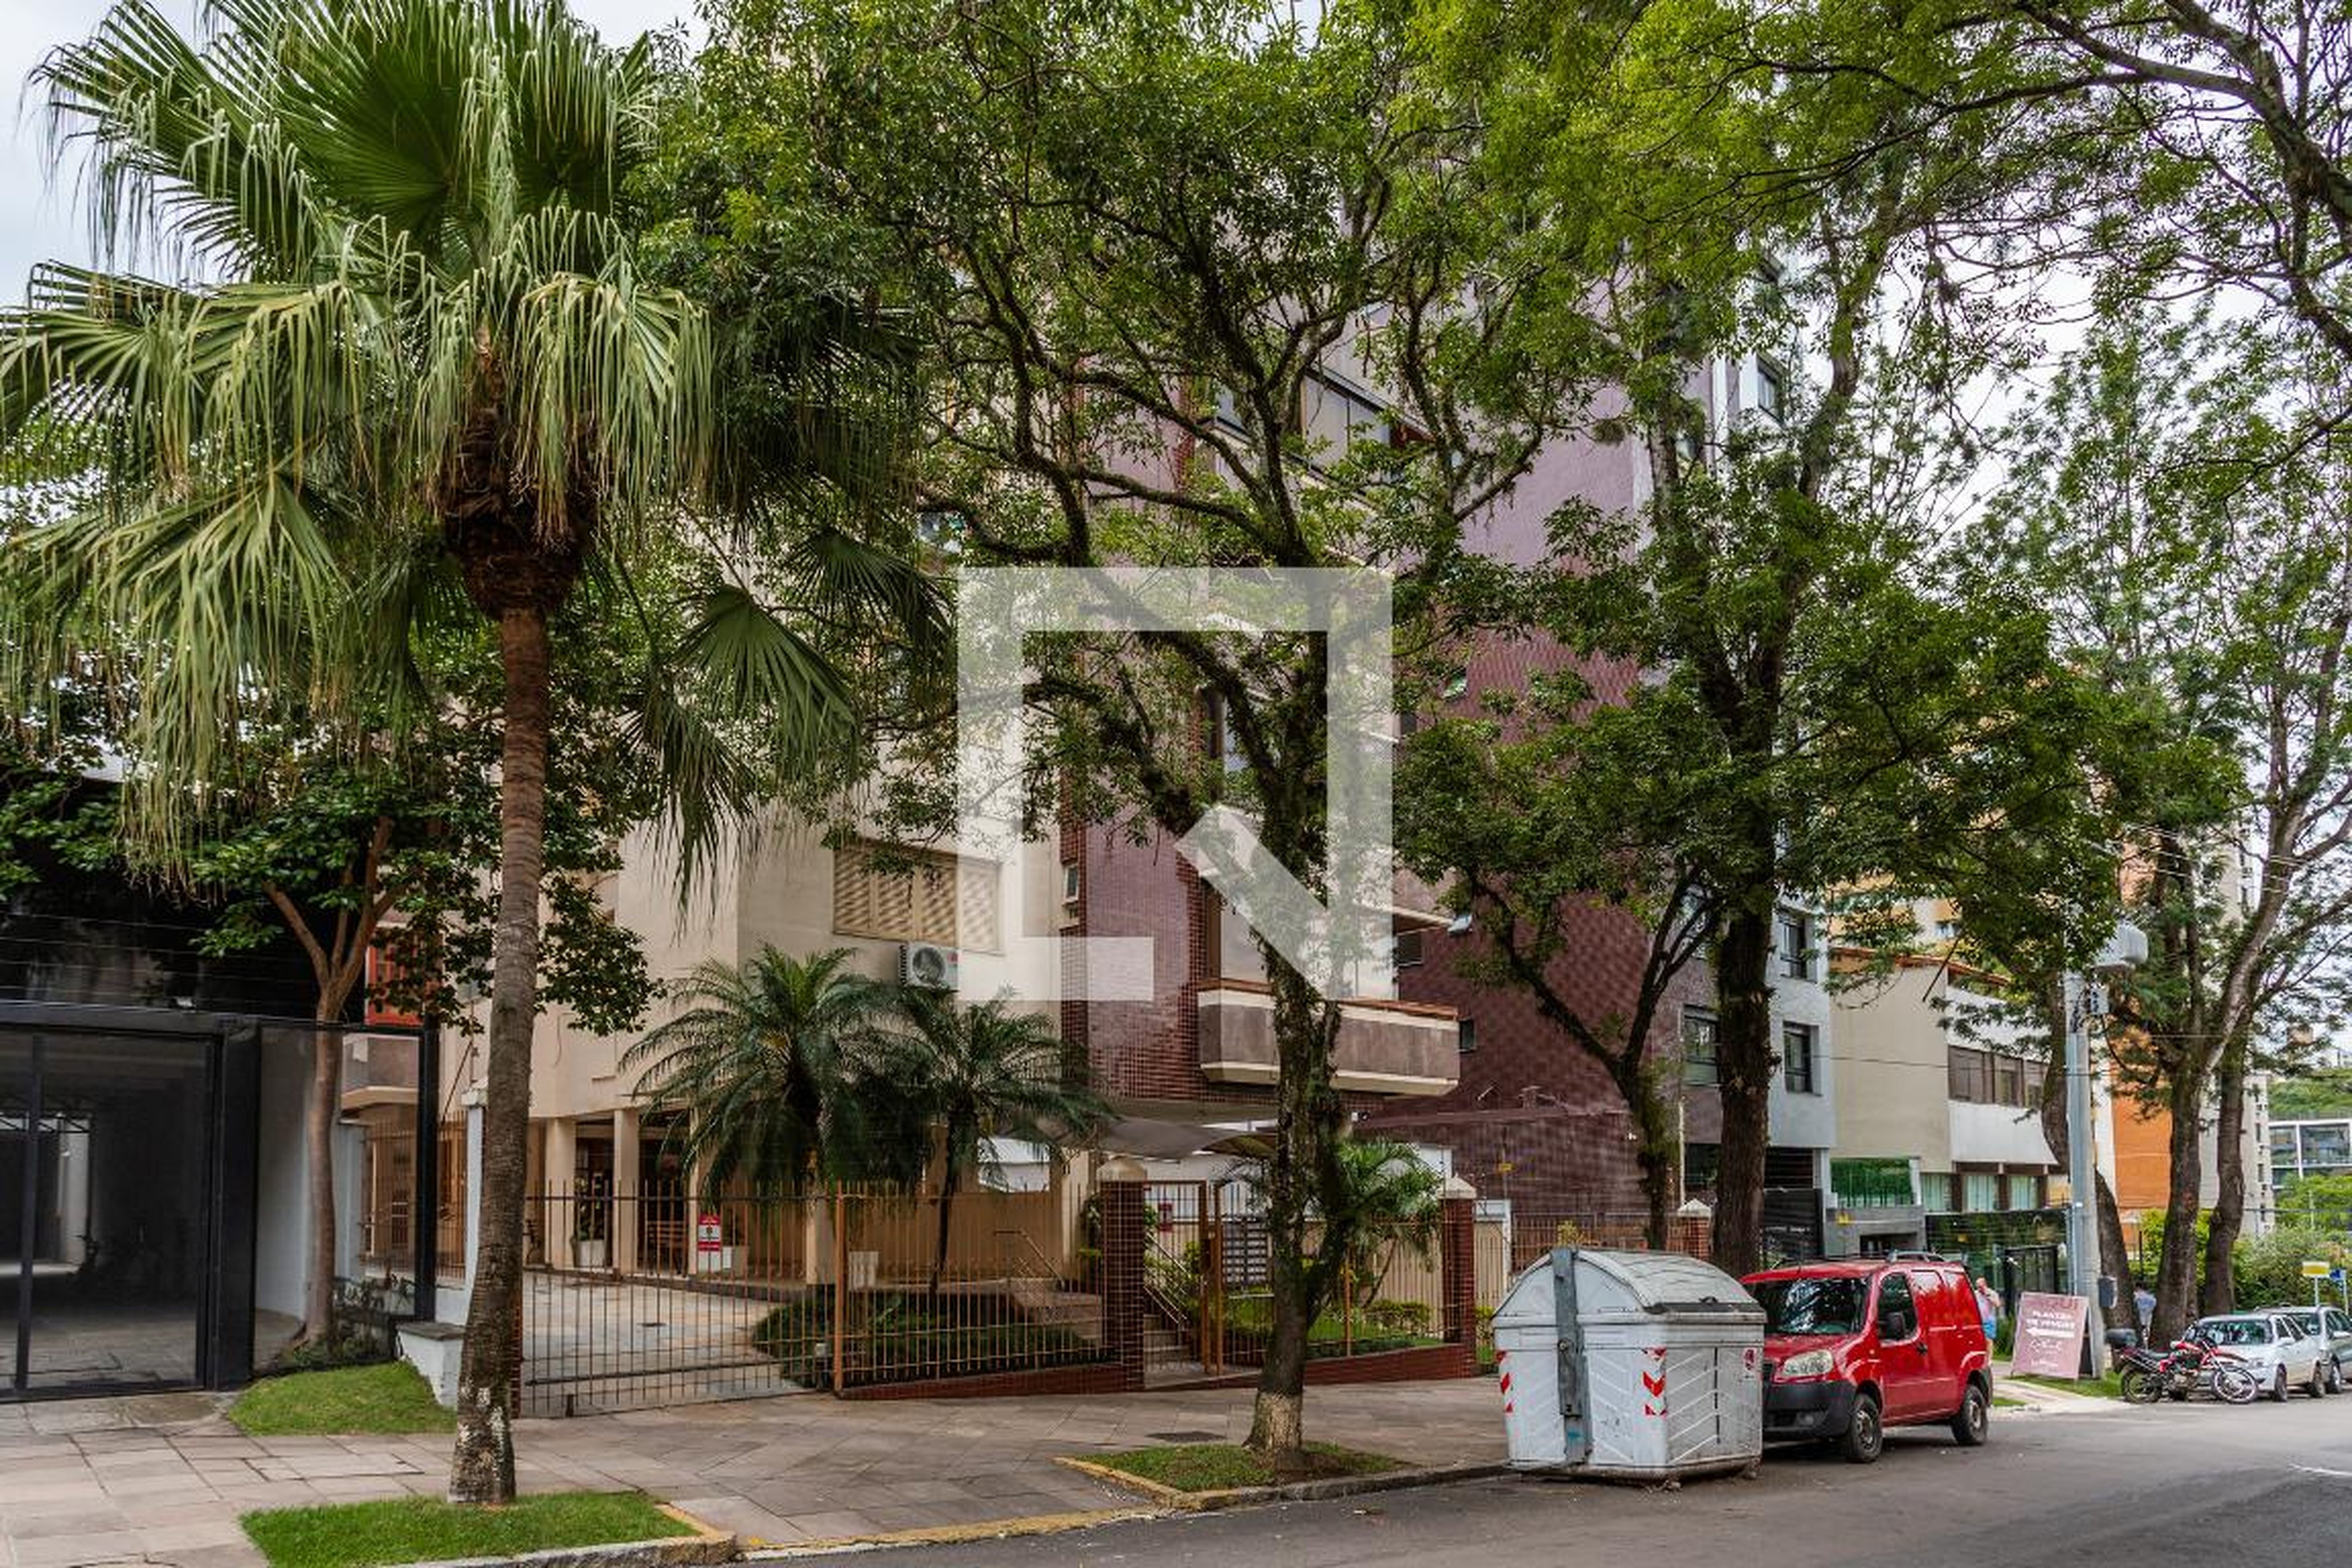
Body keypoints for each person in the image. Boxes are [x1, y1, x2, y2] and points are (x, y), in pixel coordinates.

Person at [1974, 1276, 2002, 1344]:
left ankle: (1990, 1355)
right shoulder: (1975, 1294)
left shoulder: (1992, 1293)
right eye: (1978, 1287)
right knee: (1980, 1340)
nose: (1979, 1289)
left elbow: (1998, 1305)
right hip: (1978, 1320)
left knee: (1988, 1340)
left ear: (1985, 1285)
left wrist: (1989, 1297)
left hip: (1989, 1320)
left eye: (1980, 1287)